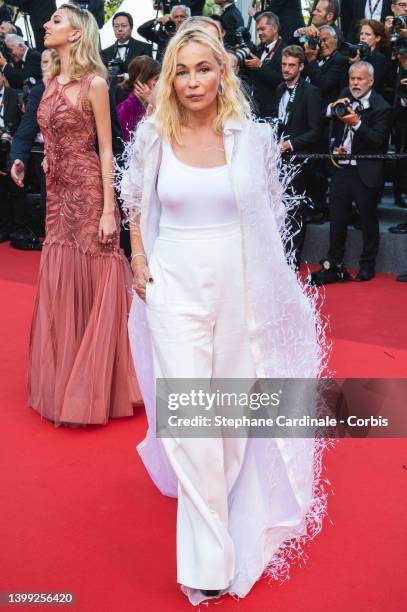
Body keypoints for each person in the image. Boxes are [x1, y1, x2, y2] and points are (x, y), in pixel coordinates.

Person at [121, 24, 329, 606]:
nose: (192, 81)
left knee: (231, 417)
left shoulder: (251, 138)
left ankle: (234, 518)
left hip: (237, 286)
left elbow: (266, 224)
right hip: (173, 284)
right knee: (190, 420)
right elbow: (136, 200)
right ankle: (208, 560)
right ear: (168, 78)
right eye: (181, 70)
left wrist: (277, 290)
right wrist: (138, 257)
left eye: (203, 69)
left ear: (223, 73)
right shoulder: (152, 137)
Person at [26, 3, 139, 425]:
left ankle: (104, 385)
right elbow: (52, 133)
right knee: (63, 276)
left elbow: (107, 149)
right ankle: (69, 375)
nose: (46, 24)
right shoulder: (52, 80)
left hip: (89, 193)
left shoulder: (95, 84)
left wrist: (111, 210)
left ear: (75, 34)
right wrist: (40, 159)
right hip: (57, 195)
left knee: (97, 275)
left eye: (55, 21)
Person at [310, 62, 392, 285]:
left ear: (371, 81)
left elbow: (377, 140)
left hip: (366, 170)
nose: (355, 83)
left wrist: (356, 123)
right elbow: (323, 116)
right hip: (342, 167)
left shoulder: (381, 106)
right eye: (352, 79)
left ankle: (367, 265)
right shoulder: (345, 95)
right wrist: (332, 108)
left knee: (367, 220)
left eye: (360, 79)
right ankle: (333, 263)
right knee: (337, 219)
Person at [274, 45, 323, 267]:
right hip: (276, 161)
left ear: (301, 67)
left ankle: (291, 260)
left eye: (291, 65)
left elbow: (316, 131)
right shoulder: (279, 89)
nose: (286, 69)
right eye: (284, 64)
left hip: (299, 163)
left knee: (295, 212)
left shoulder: (310, 92)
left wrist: (290, 144)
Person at [244, 11, 283, 119]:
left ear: (274, 28)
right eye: (258, 30)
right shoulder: (258, 49)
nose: (259, 33)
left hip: (273, 110)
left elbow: (281, 79)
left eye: (263, 29)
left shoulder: (285, 50)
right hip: (254, 108)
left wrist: (261, 66)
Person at [117, 55, 160, 141]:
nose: (158, 83)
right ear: (141, 81)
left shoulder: (153, 103)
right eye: (156, 79)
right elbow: (128, 144)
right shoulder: (126, 108)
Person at [101, 12, 152, 77]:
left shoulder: (144, 48)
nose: (120, 29)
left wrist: (128, 77)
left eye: (124, 25)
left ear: (131, 27)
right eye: (116, 26)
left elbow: (149, 73)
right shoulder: (105, 52)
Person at [352, 19, 391, 94]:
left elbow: (369, 85)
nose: (362, 37)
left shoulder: (380, 59)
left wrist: (356, 65)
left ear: (377, 38)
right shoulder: (354, 54)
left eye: (367, 34)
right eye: (361, 34)